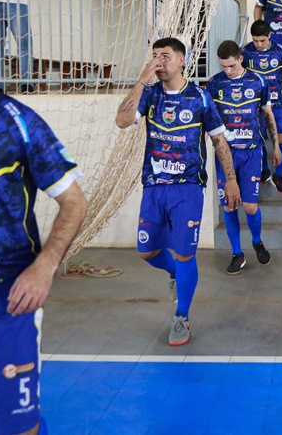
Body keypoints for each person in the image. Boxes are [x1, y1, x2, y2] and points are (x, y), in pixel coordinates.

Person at [0, 6, 87, 435]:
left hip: (4, 299)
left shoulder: (15, 120)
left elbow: (74, 201)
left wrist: (45, 266)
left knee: (16, 429)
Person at [116, 37, 240, 346]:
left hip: (187, 188)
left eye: (165, 56)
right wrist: (141, 80)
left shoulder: (200, 97)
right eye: (155, 56)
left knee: (185, 253)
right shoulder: (149, 94)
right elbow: (122, 121)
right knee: (146, 252)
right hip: (154, 185)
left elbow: (219, 141)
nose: (159, 61)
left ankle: (181, 316)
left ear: (182, 60)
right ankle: (174, 274)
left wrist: (231, 179)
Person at [206, 41, 282, 275]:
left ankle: (257, 241)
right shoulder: (214, 83)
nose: (228, 70)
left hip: (251, 151)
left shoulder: (258, 81)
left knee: (249, 206)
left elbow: (267, 114)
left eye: (231, 65)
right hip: (225, 153)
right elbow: (207, 118)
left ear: (240, 58)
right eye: (223, 66)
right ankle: (237, 253)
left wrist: (276, 146)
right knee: (229, 205)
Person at [241, 20, 282, 193]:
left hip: (276, 102)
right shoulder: (245, 52)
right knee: (259, 138)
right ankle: (264, 171)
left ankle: (279, 175)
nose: (259, 44)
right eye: (255, 40)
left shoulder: (280, 51)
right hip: (254, 105)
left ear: (269, 36)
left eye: (262, 40)